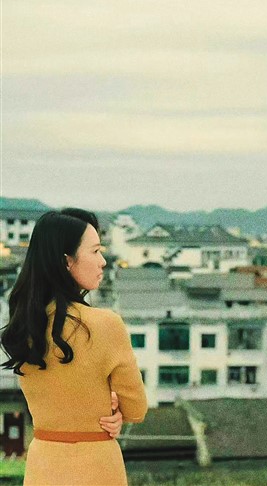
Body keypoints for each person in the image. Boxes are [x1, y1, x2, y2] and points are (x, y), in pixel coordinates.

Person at [1, 208, 148, 486]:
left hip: (43, 466)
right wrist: (115, 408)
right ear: (67, 261)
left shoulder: (25, 324)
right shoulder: (105, 324)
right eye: (95, 251)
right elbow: (136, 409)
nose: (102, 262)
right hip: (96, 467)